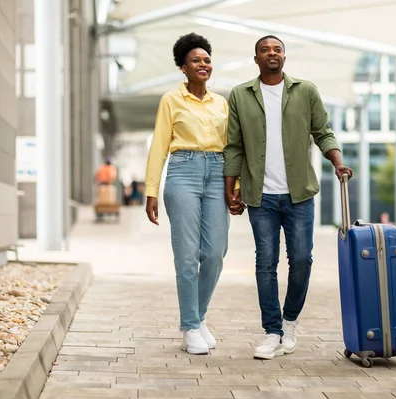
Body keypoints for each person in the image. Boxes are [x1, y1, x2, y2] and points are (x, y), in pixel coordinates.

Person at [224, 35, 353, 360]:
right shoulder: (240, 95)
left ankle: (290, 321)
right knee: (265, 264)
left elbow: (322, 131)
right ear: (256, 58)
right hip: (259, 195)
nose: (271, 53)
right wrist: (231, 187)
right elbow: (234, 145)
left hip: (299, 195)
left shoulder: (305, 91)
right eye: (265, 50)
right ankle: (272, 331)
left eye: (277, 49)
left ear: (285, 57)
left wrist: (337, 162)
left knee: (301, 260)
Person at [144, 32, 243, 355]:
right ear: (183, 68)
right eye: (196, 60)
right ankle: (190, 327)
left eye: (207, 60)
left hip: (217, 173)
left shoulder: (221, 103)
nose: (203, 64)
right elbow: (159, 145)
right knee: (187, 257)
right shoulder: (170, 101)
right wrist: (151, 190)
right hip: (183, 171)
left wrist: (235, 187)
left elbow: (232, 147)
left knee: (214, 253)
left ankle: (197, 318)